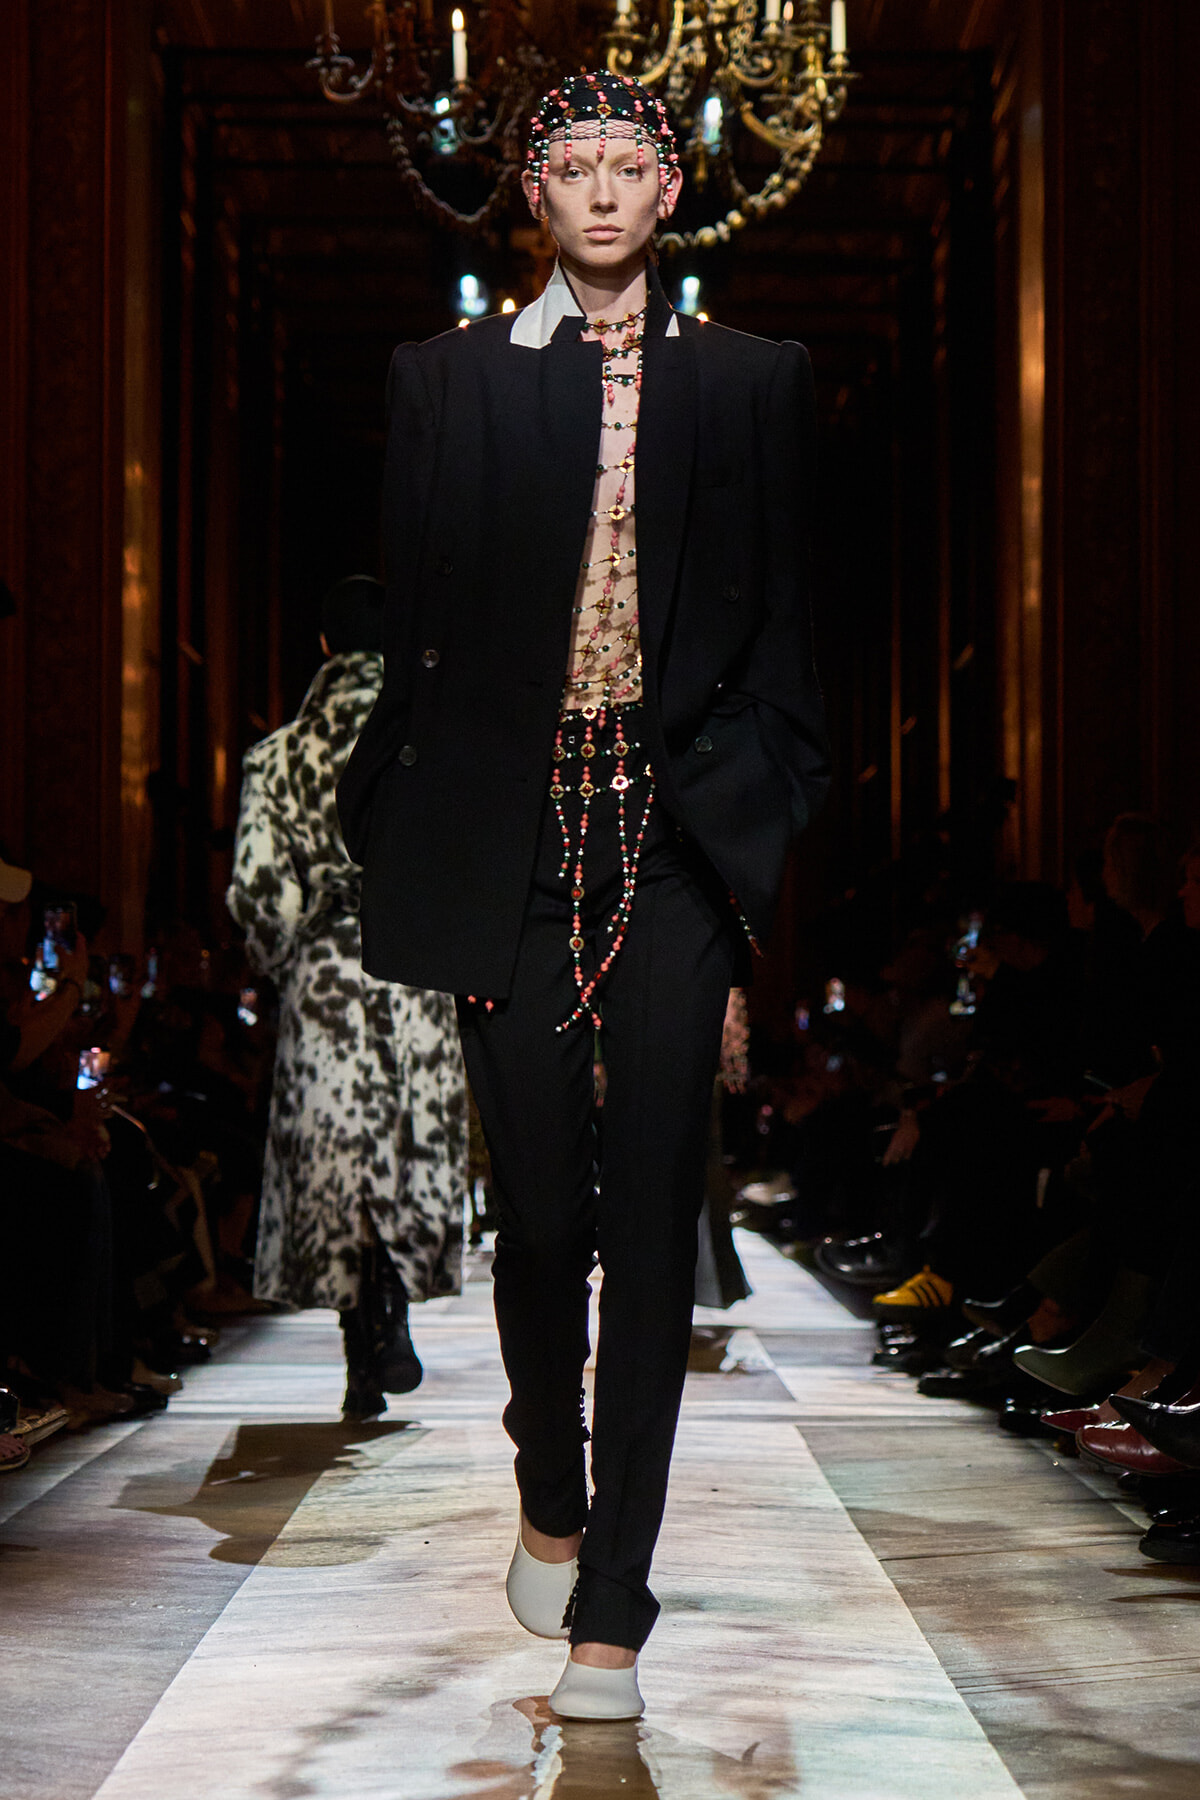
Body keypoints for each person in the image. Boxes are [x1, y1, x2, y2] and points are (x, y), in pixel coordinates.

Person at [339, 72, 829, 1720]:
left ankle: (616, 1596)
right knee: (543, 1221)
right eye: (573, 167)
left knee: (648, 1216)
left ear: (674, 191)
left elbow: (795, 629)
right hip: (514, 839)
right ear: (530, 195)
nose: (604, 194)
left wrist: (769, 805)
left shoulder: (758, 383)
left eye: (634, 166)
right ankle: (550, 1474)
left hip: (678, 837)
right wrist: (397, 839)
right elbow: (422, 631)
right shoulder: (449, 380)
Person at [227, 576, 468, 1419]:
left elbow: (259, 894)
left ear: (324, 648)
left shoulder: (279, 758)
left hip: (326, 979)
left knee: (340, 1164)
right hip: (413, 970)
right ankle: (391, 1306)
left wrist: (286, 954)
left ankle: (360, 1339)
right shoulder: (427, 751)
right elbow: (464, 872)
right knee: (402, 1153)